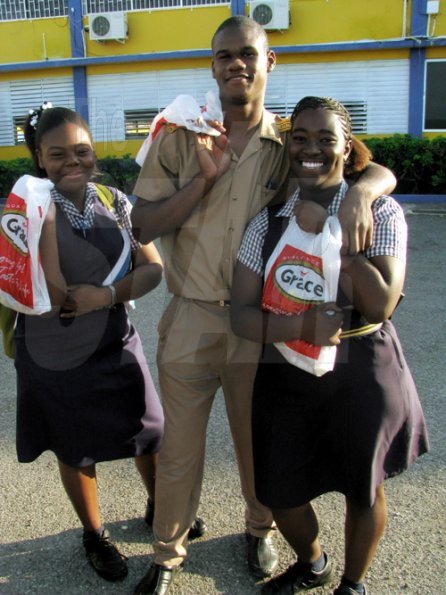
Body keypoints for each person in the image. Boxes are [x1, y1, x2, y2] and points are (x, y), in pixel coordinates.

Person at [130, 16, 397, 595]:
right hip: (194, 313)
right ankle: (166, 555)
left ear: (268, 62)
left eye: (248, 54)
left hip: (262, 319)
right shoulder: (180, 134)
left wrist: (363, 193)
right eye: (224, 56)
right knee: (180, 448)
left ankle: (259, 528)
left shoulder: (291, 139)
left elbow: (366, 163)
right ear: (213, 65)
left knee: (259, 440)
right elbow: (142, 222)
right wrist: (204, 180)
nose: (236, 65)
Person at [230, 95, 429, 595]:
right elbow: (241, 314)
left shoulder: (378, 211)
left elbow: (381, 303)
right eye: (301, 138)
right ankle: (312, 561)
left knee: (363, 488)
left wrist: (338, 234)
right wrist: (298, 329)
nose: (311, 148)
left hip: (362, 369)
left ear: (346, 148)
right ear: (289, 144)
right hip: (285, 370)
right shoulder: (268, 222)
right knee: (280, 492)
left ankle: (352, 583)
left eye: (326, 139)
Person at [14, 104, 165, 582]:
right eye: (57, 154)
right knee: (75, 445)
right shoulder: (23, 210)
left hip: (114, 337)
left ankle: (160, 509)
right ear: (39, 157)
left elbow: (153, 269)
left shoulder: (114, 199)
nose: (73, 162)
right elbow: (58, 296)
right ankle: (95, 536)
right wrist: (48, 218)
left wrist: (108, 294)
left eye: (82, 150)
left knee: (149, 429)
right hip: (53, 347)